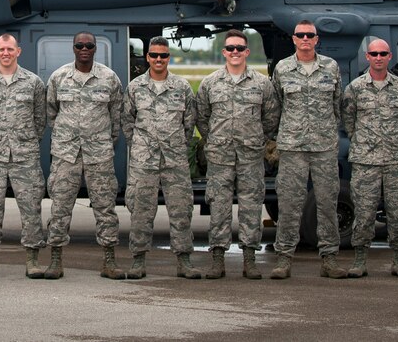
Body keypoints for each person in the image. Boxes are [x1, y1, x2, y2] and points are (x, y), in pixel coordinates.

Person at [196, 29, 280, 280]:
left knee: (251, 207)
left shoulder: (261, 83)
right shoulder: (210, 83)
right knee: (219, 207)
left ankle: (250, 259)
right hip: (220, 156)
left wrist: (255, 140)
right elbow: (202, 118)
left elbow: (271, 117)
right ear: (224, 52)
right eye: (230, 48)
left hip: (251, 156)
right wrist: (215, 140)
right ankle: (218, 259)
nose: (235, 52)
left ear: (247, 52)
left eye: (239, 48)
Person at [44, 31, 125, 280]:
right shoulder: (59, 77)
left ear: (95, 48)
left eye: (89, 45)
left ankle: (109, 261)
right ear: (73, 48)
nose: (84, 49)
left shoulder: (109, 79)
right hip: (66, 154)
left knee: (105, 208)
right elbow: (51, 113)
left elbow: (116, 118)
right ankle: (55, 261)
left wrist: (101, 141)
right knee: (60, 207)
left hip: (98, 154)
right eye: (80, 45)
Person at [269, 20, 347, 280]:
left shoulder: (330, 67)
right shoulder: (283, 68)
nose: (305, 38)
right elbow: (276, 107)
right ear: (293, 39)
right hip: (292, 147)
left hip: (323, 147)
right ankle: (284, 259)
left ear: (316, 39)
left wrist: (326, 131)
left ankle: (329, 260)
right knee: (290, 204)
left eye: (309, 35)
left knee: (327, 203)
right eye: (300, 35)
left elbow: (338, 105)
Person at [122, 37, 199, 280]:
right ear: (147, 57)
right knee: (141, 210)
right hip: (143, 160)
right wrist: (142, 147)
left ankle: (184, 261)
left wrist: (175, 145)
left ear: (169, 58)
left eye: (163, 56)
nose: (158, 59)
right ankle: (138, 260)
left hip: (174, 160)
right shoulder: (135, 87)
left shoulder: (182, 87)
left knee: (181, 210)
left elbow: (190, 124)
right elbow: (127, 122)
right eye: (154, 55)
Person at [0, 34, 47, 279]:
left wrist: (23, 141)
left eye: (10, 49)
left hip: (25, 156)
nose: (6, 53)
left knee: (31, 207)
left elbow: (40, 120)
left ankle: (33, 260)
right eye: (1, 49)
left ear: (18, 51)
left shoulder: (33, 83)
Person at [341, 38, 398, 278]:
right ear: (368, 57)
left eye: (383, 53)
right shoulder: (355, 88)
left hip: (394, 161)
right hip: (365, 162)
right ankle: (360, 259)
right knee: (363, 212)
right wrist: (366, 143)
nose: (379, 57)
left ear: (389, 57)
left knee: (397, 211)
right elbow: (349, 122)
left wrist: (389, 142)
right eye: (374, 54)